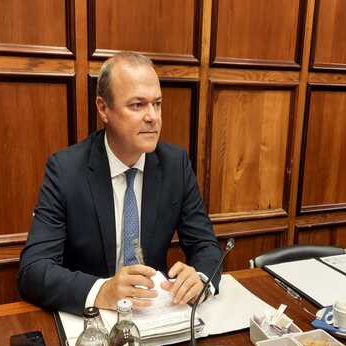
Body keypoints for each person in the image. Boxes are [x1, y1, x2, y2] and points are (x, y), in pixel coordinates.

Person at [18, 52, 222, 315]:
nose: (153, 117)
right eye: (137, 105)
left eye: (157, 104)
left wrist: (201, 279)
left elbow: (205, 246)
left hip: (155, 313)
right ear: (104, 109)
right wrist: (102, 291)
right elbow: (33, 270)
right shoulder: (65, 170)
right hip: (91, 319)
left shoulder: (175, 165)